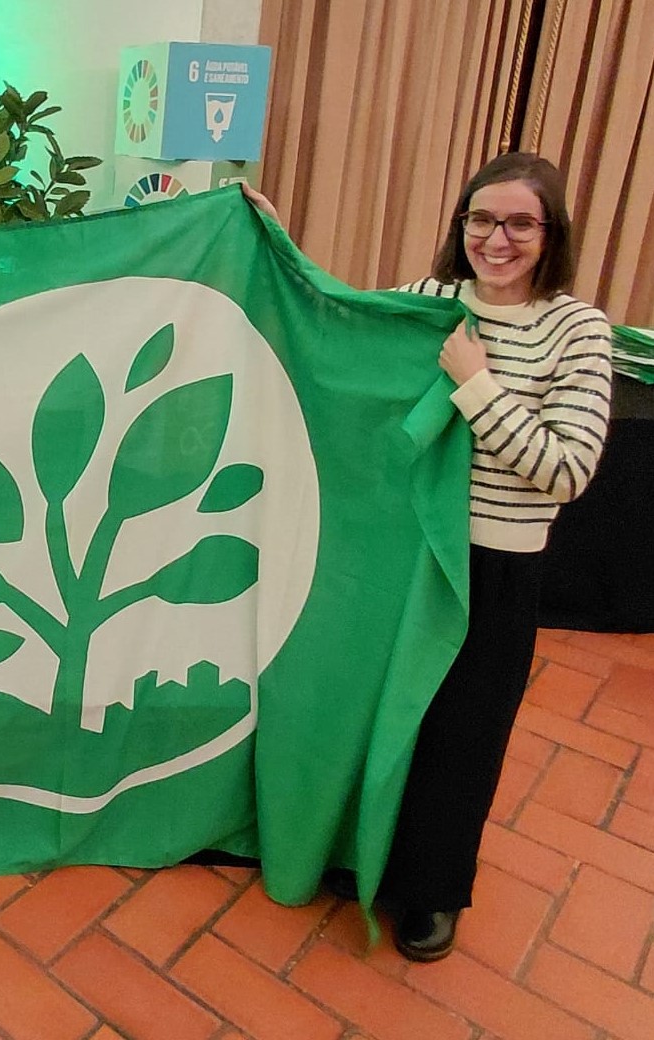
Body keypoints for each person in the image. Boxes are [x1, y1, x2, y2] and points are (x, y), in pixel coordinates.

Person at [246, 153, 612, 961]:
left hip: (493, 567)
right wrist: (273, 247)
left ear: (550, 233)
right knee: (380, 707)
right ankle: (359, 849)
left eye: (519, 223)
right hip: (405, 555)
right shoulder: (431, 302)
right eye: (480, 219)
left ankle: (432, 888)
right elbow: (339, 324)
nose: (496, 239)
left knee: (461, 732)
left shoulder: (576, 329)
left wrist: (475, 385)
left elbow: (565, 470)